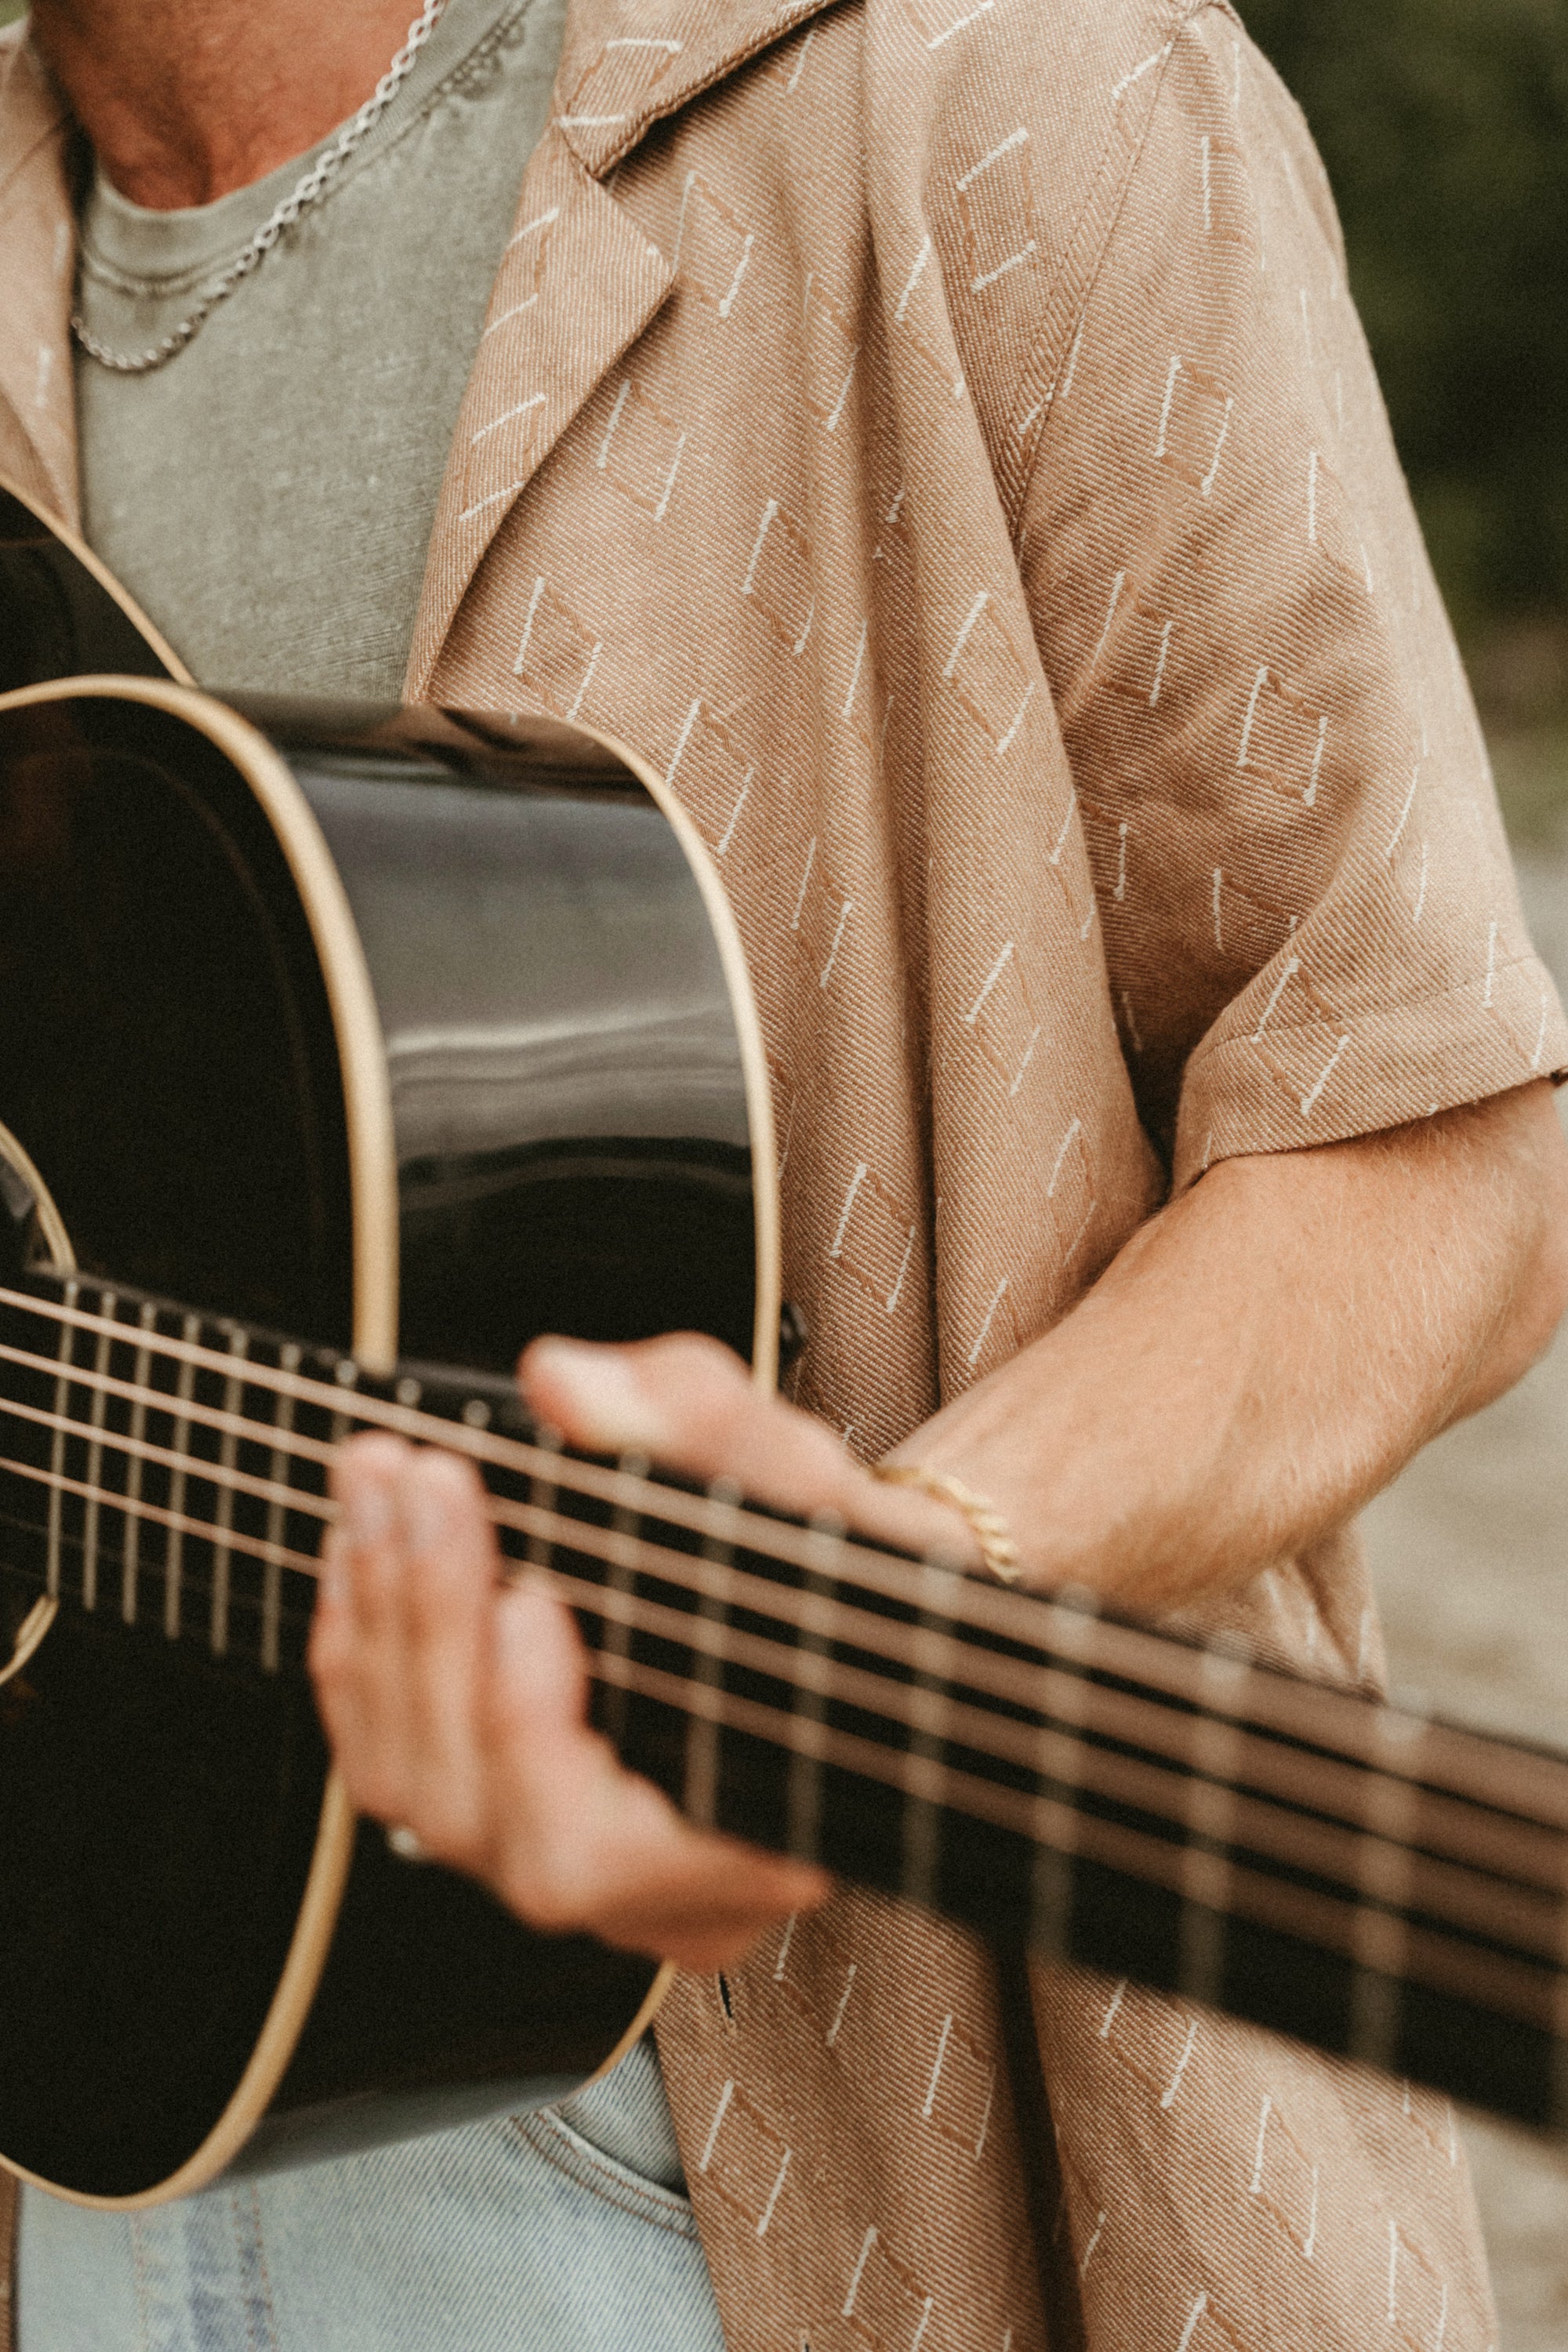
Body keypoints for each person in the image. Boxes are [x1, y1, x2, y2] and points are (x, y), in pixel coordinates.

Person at [2, 0, 1566, 2346]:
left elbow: (1438, 1140)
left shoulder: (1003, 83)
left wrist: (906, 1571)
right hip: (77, 2101)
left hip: (771, 2172)